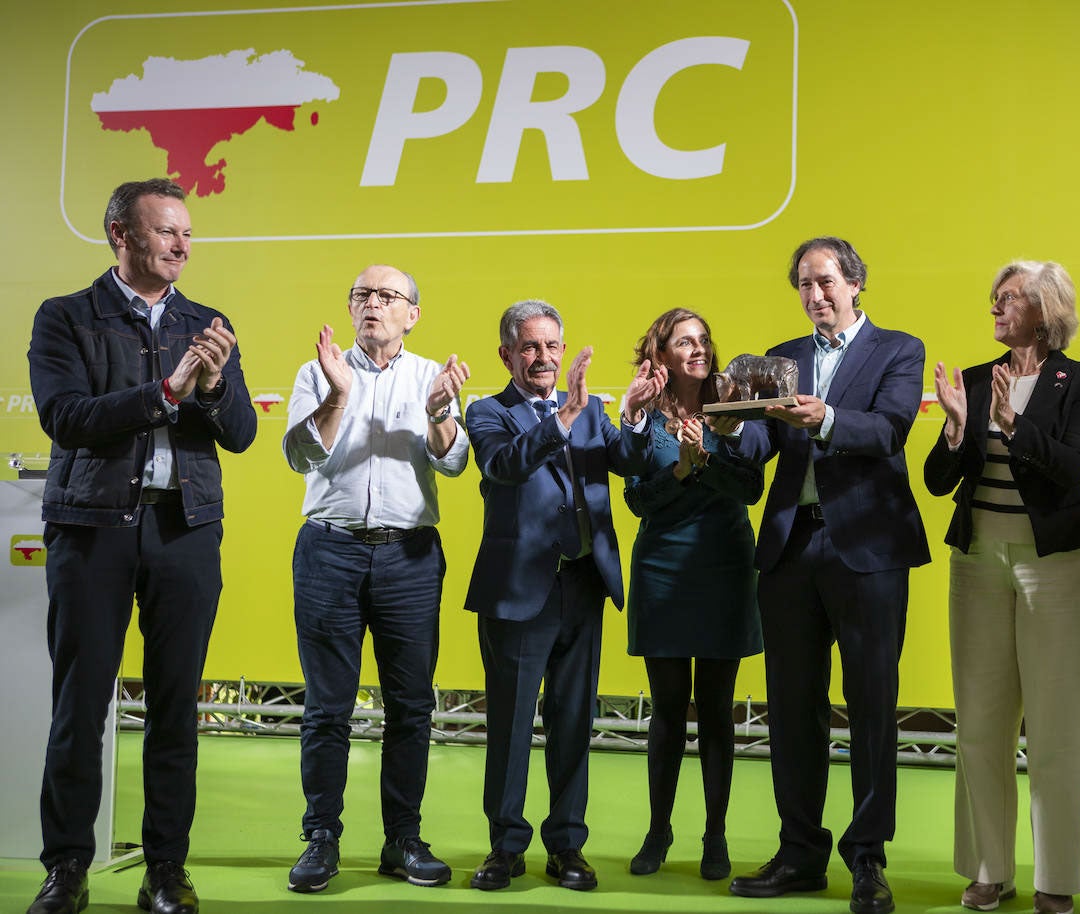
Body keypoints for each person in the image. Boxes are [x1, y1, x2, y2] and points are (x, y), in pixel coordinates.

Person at [25, 178, 257, 914]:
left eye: (189, 233)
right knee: (79, 708)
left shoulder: (208, 322)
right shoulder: (66, 317)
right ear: (120, 235)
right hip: (92, 530)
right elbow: (65, 418)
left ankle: (165, 871)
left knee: (174, 710)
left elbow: (244, 434)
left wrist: (214, 388)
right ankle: (66, 869)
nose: (184, 246)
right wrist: (166, 391)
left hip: (184, 532)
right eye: (167, 233)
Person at [728, 236, 929, 914]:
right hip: (790, 551)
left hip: (869, 550)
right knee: (791, 710)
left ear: (855, 282)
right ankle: (800, 854)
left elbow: (890, 430)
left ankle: (868, 860)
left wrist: (828, 418)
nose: (816, 296)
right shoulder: (781, 357)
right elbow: (759, 443)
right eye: (805, 286)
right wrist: (730, 422)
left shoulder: (898, 349)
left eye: (825, 282)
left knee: (871, 707)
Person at [280, 265, 471, 893]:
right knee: (327, 708)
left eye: (388, 296)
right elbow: (301, 455)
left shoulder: (430, 379)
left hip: (409, 558)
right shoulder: (319, 372)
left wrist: (442, 413)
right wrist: (338, 394)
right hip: (329, 552)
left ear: (412, 313)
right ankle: (321, 838)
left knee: (411, 708)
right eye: (362, 294)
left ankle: (403, 839)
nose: (373, 305)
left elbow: (453, 462)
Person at [924, 261, 1080, 914]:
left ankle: (1056, 879)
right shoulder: (974, 380)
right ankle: (987, 870)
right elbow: (939, 481)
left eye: (1010, 298)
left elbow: (1072, 471)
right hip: (977, 566)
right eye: (993, 299)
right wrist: (954, 426)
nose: (996, 308)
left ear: (1045, 307)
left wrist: (1011, 425)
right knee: (978, 723)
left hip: (1056, 566)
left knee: (1057, 728)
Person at [464, 300, 665, 893]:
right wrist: (559, 421)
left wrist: (631, 416)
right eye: (529, 347)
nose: (543, 358)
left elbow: (628, 462)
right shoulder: (488, 412)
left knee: (575, 721)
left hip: (583, 584)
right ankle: (504, 847)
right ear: (506, 355)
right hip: (519, 590)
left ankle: (567, 846)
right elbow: (503, 466)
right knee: (509, 724)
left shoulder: (593, 410)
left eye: (552, 346)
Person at [622, 308, 764, 882]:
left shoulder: (733, 406)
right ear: (663, 354)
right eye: (686, 341)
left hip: (725, 566)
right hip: (662, 569)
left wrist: (706, 463)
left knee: (717, 712)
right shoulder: (643, 416)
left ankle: (716, 834)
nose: (699, 349)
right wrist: (681, 470)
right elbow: (636, 500)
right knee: (667, 711)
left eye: (704, 339)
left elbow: (751, 487)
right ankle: (658, 831)